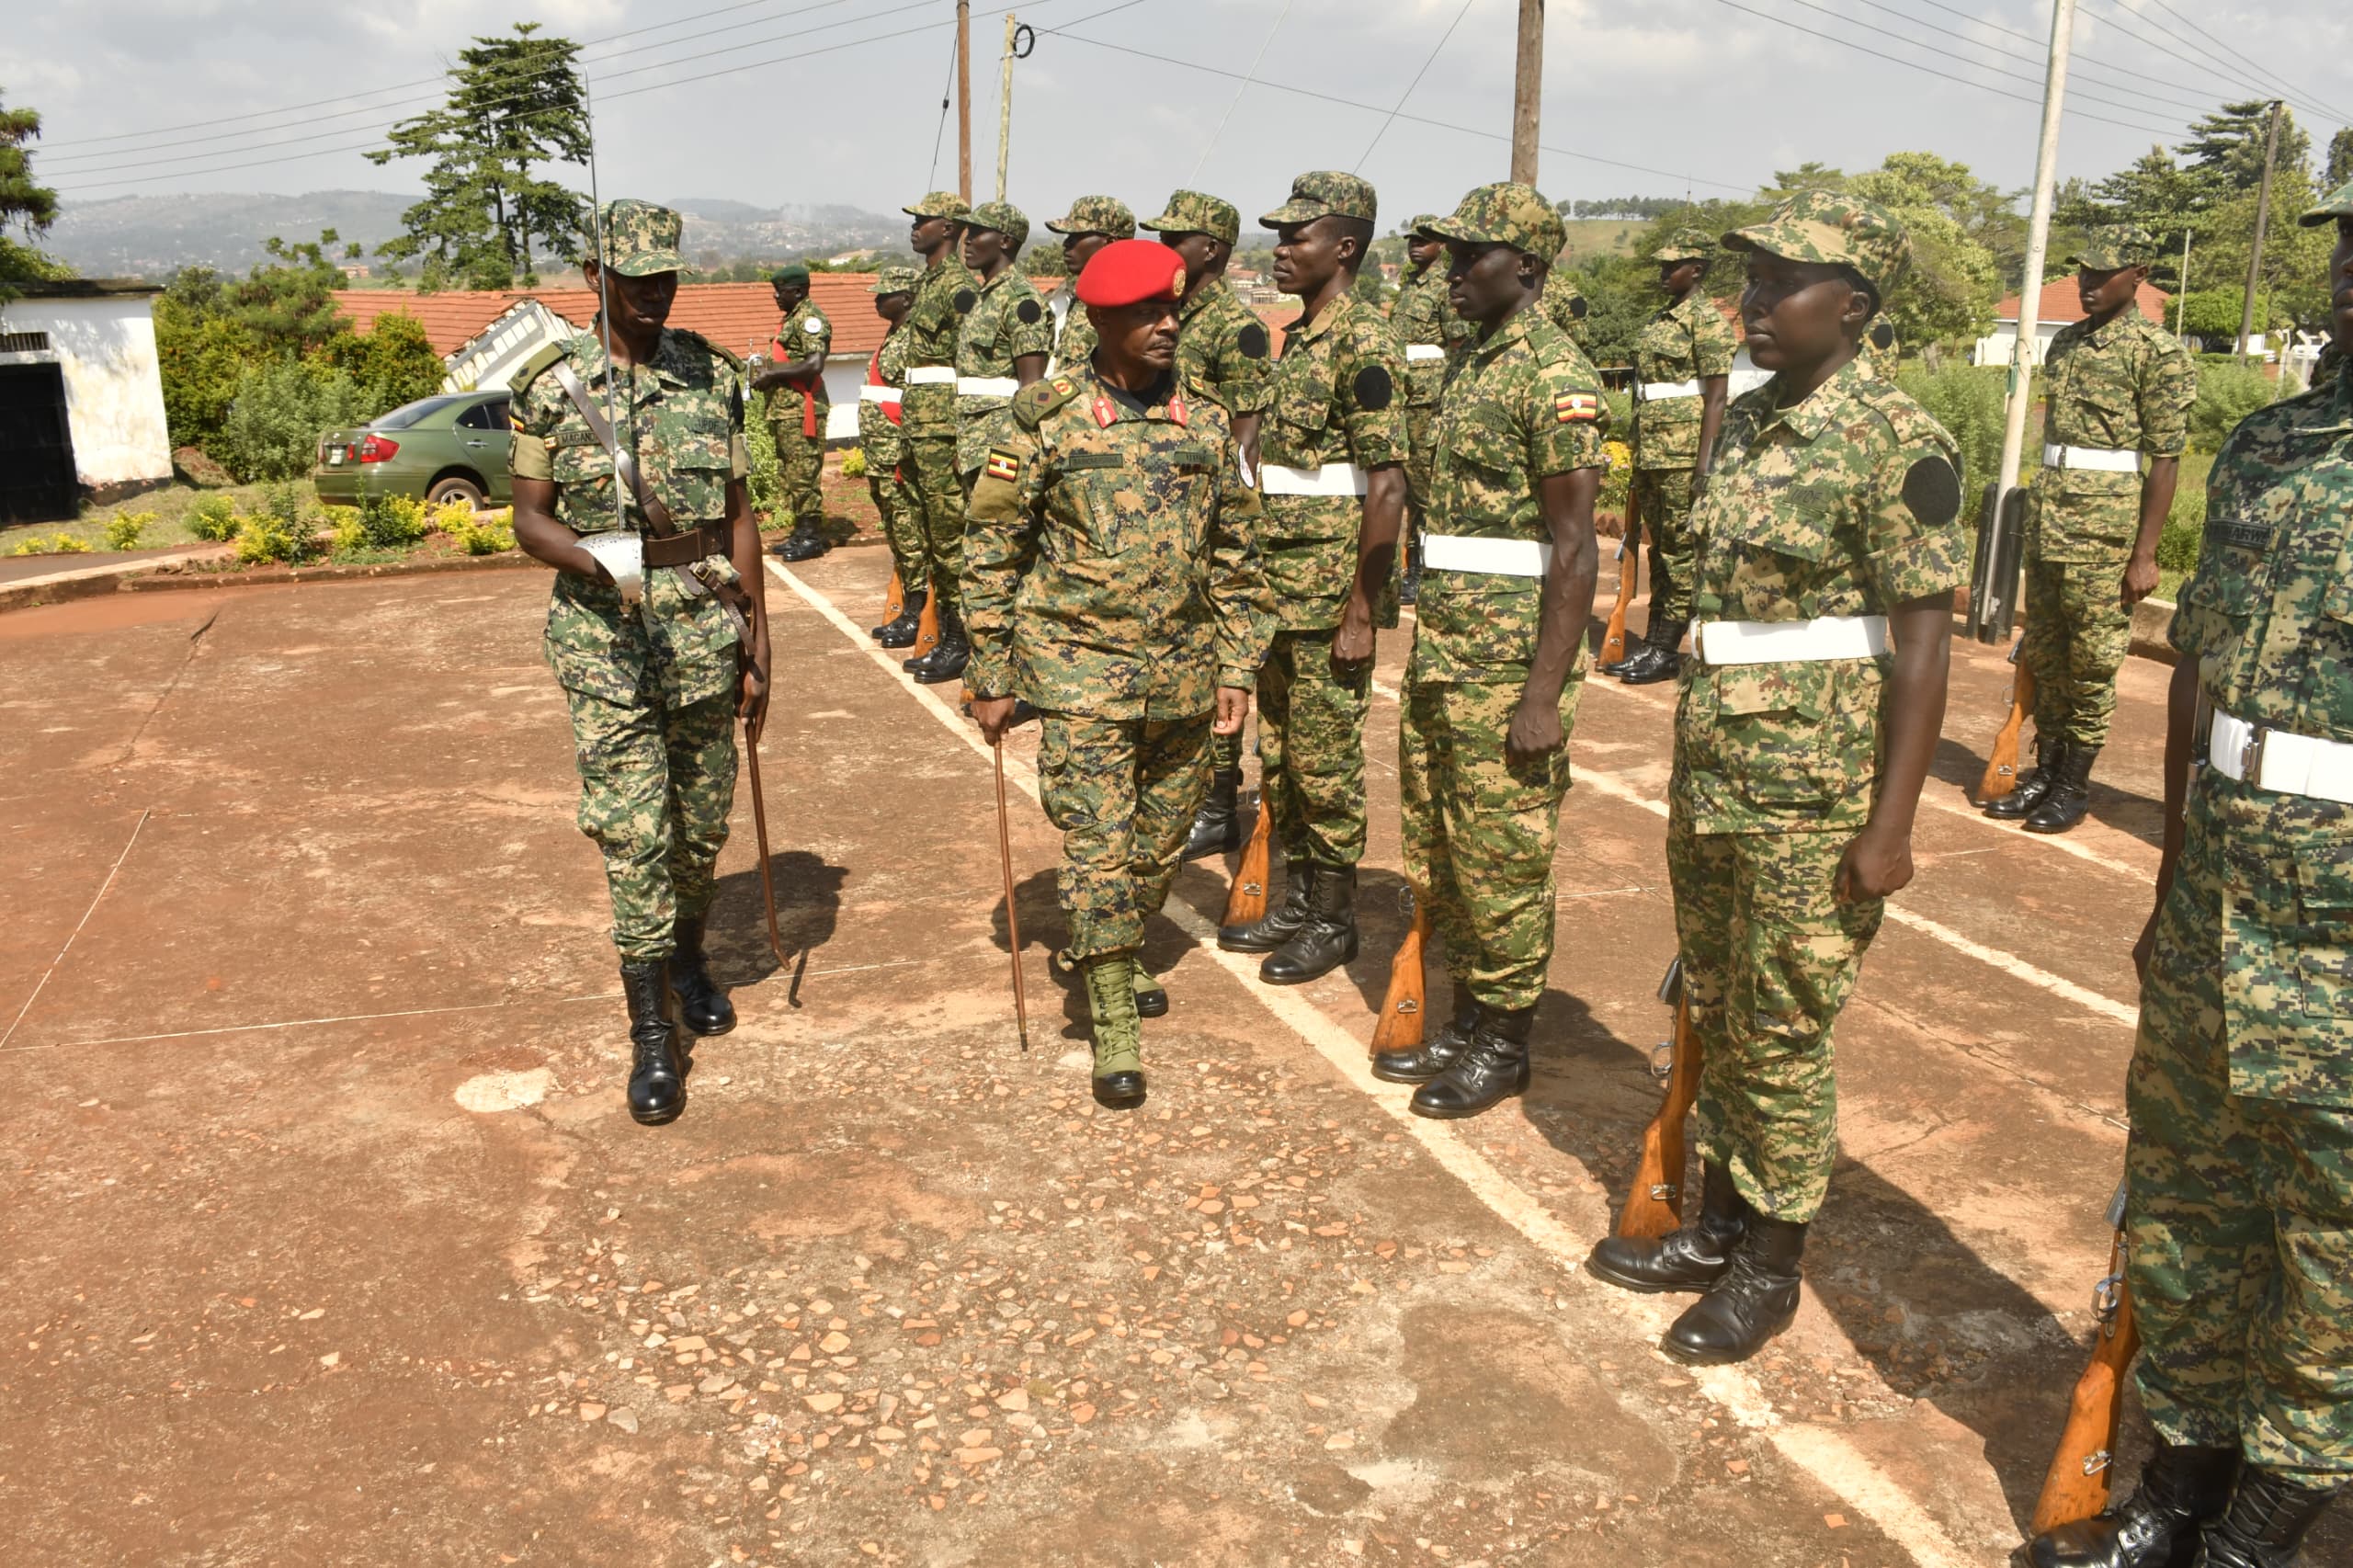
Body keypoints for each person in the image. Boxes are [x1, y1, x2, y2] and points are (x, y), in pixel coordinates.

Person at [2025, 182, 2353, 1568]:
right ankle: (2189, 1458)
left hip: (2338, 926)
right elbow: (2204, 671)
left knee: (2334, 1223)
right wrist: (2168, 871)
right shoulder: (2276, 444)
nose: (2347, 276)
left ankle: (2281, 1501)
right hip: (2221, 891)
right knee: (2189, 1187)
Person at [1582, 192, 1967, 1365]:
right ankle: (1719, 1218)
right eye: (1749, 281)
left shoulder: (1898, 439)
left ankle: (1769, 1264)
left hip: (1817, 785)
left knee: (1784, 1023)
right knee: (1716, 1001)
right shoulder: (1747, 424)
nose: (1750, 302)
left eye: (1779, 284)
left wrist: (1890, 822)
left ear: (1849, 305)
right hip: (1719, 763)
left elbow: (1924, 640)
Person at [964, 239, 1272, 1108]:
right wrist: (992, 669)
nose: (1168, 324)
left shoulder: (1206, 423)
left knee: (1161, 842)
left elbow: (1239, 555)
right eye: (1147, 312)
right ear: (1099, 320)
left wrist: (1238, 665)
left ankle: (1112, 941)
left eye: (1172, 309)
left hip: (1184, 674)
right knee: (1100, 848)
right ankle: (1113, 1018)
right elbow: (989, 549)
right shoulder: (1040, 419)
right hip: (1079, 673)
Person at [506, 199, 770, 1127]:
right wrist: (594, 559)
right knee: (635, 835)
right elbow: (529, 514)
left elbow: (737, 508)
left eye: (666, 276)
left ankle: (689, 960)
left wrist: (757, 634)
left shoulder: (710, 374)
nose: (654, 292)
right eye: (635, 277)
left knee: (700, 829)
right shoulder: (552, 384)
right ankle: (652, 1034)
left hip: (704, 633)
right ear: (594, 277)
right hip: (605, 644)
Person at [1368, 183, 1607, 1120]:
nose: (1454, 272)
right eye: (1455, 255)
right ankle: (1469, 1015)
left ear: (1530, 270)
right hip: (1450, 648)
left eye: (1475, 258)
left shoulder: (1551, 374)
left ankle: (1505, 1039)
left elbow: (1576, 546)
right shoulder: (1475, 362)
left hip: (1509, 659)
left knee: (1503, 853)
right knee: (1444, 845)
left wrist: (1543, 690)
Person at [1215, 172, 1407, 984]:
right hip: (1280, 592)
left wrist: (1362, 609)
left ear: (1347, 247)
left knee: (1325, 761)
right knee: (1286, 753)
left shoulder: (1365, 340)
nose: (1282, 250)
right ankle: (1299, 897)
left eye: (1299, 238)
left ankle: (1334, 917)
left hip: (1330, 596)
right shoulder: (1302, 333)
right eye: (1282, 237)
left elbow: (1387, 482)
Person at [1990, 224, 2198, 835]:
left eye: (2102, 274)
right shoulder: (2068, 345)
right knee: (2047, 654)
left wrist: (2145, 554)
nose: (2086, 284)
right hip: (2051, 523)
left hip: (2105, 535)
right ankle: (2046, 772)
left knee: (2092, 659)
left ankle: (2074, 784)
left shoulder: (2158, 355)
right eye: (2082, 272)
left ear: (2137, 277)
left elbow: (2166, 460)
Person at [1142, 188, 1278, 860]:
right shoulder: (1173, 315)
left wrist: (1230, 513)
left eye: (1178, 238)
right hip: (1166, 505)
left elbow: (1246, 432)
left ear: (1213, 251)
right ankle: (1198, 789)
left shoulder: (1235, 326)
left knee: (1223, 653)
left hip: (1212, 508)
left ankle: (1222, 801)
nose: (1165, 247)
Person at [1607, 226, 1734, 687]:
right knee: (1659, 552)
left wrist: (1705, 463)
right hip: (1653, 452)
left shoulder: (1709, 323)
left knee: (1681, 554)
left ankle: (1666, 649)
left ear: (1697, 270)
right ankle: (1655, 642)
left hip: (1683, 457)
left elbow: (1717, 397)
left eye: (1672, 265)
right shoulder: (1664, 317)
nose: (1663, 272)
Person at [898, 191, 980, 684]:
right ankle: (947, 632)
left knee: (952, 539)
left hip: (945, 431)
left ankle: (960, 640)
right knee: (933, 537)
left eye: (923, 221)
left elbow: (969, 364)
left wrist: (960, 438)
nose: (915, 228)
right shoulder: (929, 283)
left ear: (948, 227)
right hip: (921, 429)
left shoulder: (958, 288)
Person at [1389, 213, 1476, 610]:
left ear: (1440, 246)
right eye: (1411, 239)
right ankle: (1410, 565)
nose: (1414, 245)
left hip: (1428, 397)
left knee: (1424, 491)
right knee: (1405, 484)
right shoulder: (1409, 285)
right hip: (1402, 394)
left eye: (1423, 240)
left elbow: (1457, 342)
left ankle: (1422, 570)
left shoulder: (1444, 286)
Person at [953, 200, 1053, 493]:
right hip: (974, 442)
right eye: (967, 232)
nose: (967, 240)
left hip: (1002, 447)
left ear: (1006, 241)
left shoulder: (1021, 300)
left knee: (1002, 533)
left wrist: (1015, 452)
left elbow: (1032, 388)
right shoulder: (985, 296)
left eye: (978, 232)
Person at [860, 266, 926, 645]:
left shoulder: (914, 339)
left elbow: (915, 402)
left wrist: (906, 451)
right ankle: (907, 605)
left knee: (910, 532)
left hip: (898, 454)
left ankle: (918, 612)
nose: (877, 300)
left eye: (884, 294)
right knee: (897, 533)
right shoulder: (894, 335)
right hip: (880, 454)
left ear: (905, 297)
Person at [755, 263, 835, 562]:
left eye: (781, 291)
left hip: (802, 410)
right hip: (785, 412)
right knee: (790, 477)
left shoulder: (810, 319)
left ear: (799, 291)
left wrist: (772, 373)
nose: (776, 296)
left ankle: (811, 537)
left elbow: (815, 364)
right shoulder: (793, 319)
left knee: (803, 477)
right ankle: (801, 533)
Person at [1044, 195, 1135, 371]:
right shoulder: (1083, 296)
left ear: (1110, 243)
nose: (1066, 243)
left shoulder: (1125, 305)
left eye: (1077, 236)